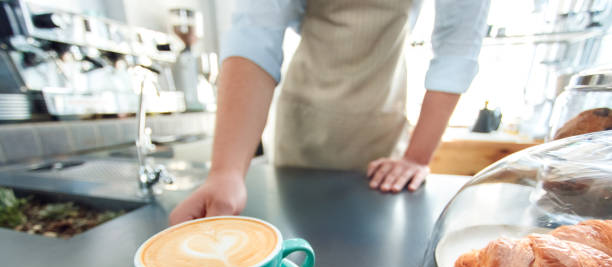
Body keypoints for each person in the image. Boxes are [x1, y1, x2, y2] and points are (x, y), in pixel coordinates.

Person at [169, 0, 490, 225]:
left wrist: (417, 157)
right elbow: (254, 32)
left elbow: (457, 45)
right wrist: (226, 172)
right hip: (302, 121)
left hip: (380, 123)